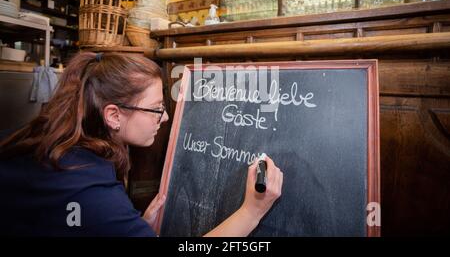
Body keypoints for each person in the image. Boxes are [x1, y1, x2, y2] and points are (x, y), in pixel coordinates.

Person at [0, 52, 283, 236]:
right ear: (113, 115)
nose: (166, 116)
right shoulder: (90, 189)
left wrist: (129, 228)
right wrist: (251, 211)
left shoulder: (58, 145)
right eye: (157, 108)